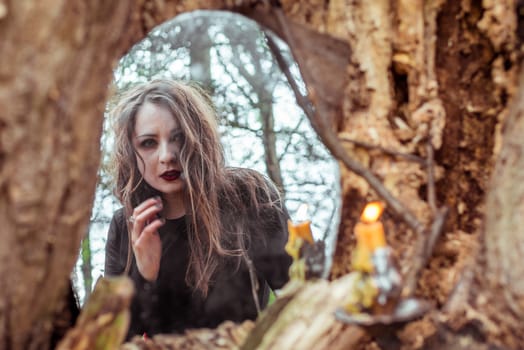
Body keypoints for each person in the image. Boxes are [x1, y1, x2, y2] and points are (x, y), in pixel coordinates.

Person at [104, 79, 292, 339]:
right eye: (148, 143)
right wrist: (145, 276)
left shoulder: (249, 196)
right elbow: (114, 340)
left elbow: (300, 293)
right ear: (131, 153)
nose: (166, 156)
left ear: (198, 138)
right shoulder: (124, 227)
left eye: (178, 137)